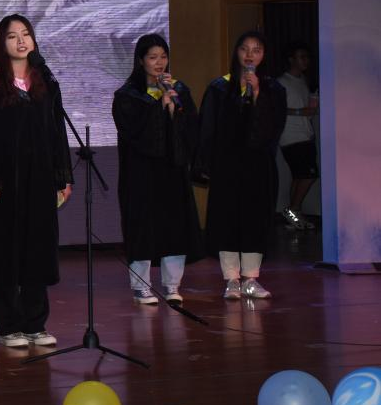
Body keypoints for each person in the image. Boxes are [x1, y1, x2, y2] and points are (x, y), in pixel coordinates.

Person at [0, 14, 73, 348]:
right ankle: (9, 326)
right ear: (1, 44)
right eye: (12, 36)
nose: (21, 41)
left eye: (26, 34)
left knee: (37, 249)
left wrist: (62, 176)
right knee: (5, 252)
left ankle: (35, 324)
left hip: (39, 180)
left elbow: (58, 132)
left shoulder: (45, 80)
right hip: (4, 184)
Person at [194, 31, 287, 300]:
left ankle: (251, 279)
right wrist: (206, 164)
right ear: (236, 52)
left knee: (254, 220)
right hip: (227, 165)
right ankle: (231, 280)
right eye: (244, 49)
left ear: (264, 55)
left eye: (256, 50)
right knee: (228, 220)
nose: (249, 55)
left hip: (258, 165)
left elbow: (273, 128)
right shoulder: (219, 88)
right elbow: (208, 129)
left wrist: (256, 93)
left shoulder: (273, 88)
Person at [112, 34, 202, 306]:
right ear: (141, 60)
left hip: (172, 171)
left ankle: (172, 285)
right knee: (142, 228)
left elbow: (191, 129)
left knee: (174, 227)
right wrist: (157, 107)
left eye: (163, 56)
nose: (159, 62)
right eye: (153, 57)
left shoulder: (178, 90)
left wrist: (174, 109)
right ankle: (141, 287)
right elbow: (133, 132)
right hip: (141, 174)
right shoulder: (127, 95)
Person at [277, 42, 318, 230]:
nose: (306, 61)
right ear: (291, 59)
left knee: (299, 176)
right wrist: (301, 112)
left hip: (305, 135)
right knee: (308, 175)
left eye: (307, 57)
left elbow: (308, 109)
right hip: (291, 137)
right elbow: (276, 110)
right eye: (302, 57)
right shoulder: (281, 82)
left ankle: (293, 216)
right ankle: (293, 211)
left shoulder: (303, 80)